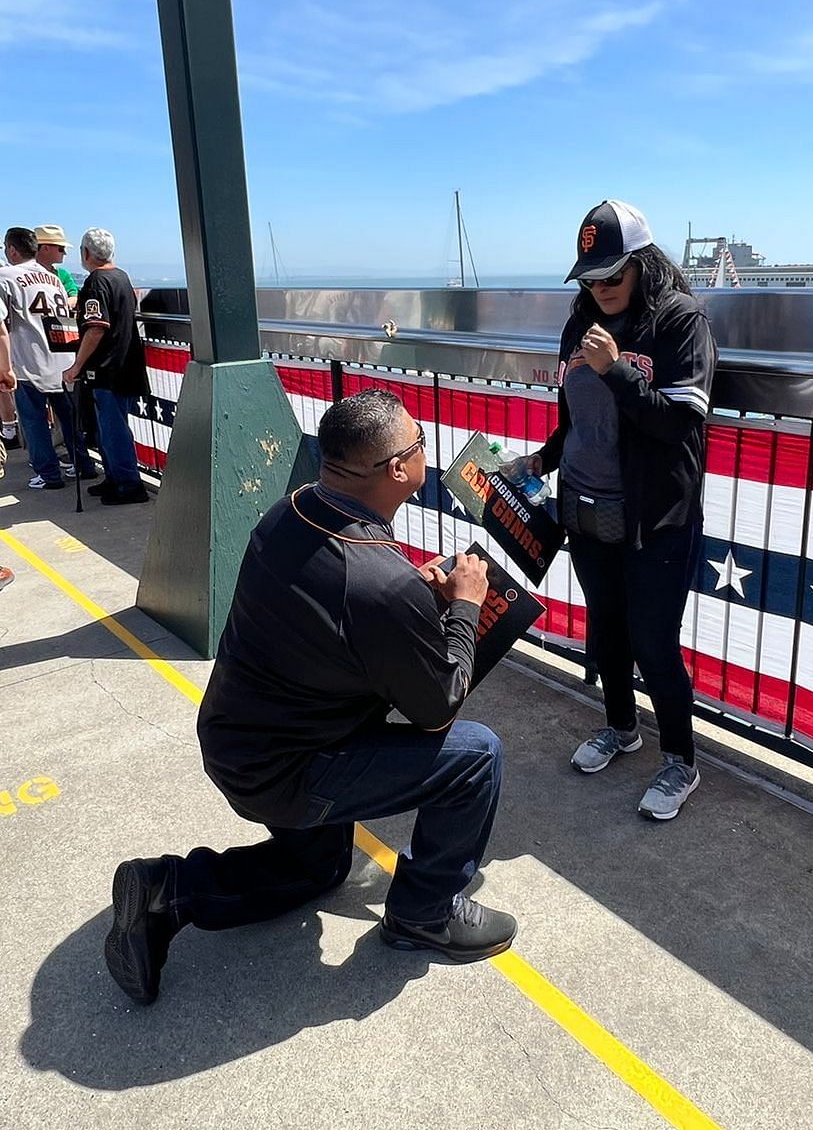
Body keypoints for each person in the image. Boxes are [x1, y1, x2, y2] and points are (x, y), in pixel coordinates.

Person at [103, 389, 516, 1007]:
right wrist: (463, 606)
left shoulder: (290, 510)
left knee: (322, 868)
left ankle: (170, 890)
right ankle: (425, 913)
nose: (427, 450)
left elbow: (341, 619)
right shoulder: (377, 581)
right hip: (291, 768)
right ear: (398, 469)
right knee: (476, 753)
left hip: (236, 741)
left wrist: (410, 598)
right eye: (420, 443)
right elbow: (437, 707)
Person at [530, 200, 717, 821]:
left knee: (653, 641)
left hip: (654, 517)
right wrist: (542, 460)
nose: (601, 287)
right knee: (606, 629)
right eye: (591, 276)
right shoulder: (579, 322)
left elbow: (680, 425)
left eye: (614, 274)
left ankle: (680, 761)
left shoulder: (680, 322)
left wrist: (618, 372)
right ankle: (620, 728)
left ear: (642, 263)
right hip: (585, 508)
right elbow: (576, 416)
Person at [0, 226, 98, 492]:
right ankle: (83, 465)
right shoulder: (52, 278)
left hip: (29, 362)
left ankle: (48, 474)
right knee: (68, 419)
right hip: (63, 359)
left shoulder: (5, 276)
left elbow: (1, 326)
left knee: (34, 422)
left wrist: (5, 367)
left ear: (11, 249)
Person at [61, 227, 149, 505]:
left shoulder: (97, 282)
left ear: (86, 253)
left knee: (113, 431)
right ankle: (115, 478)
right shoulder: (121, 277)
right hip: (125, 366)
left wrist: (76, 366)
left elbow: (96, 328)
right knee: (109, 428)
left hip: (108, 370)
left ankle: (128, 484)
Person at [34, 224, 81, 301]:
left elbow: (73, 295)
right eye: (61, 249)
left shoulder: (63, 274)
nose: (65, 253)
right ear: (45, 248)